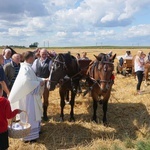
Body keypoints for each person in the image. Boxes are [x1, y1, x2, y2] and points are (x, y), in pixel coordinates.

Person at [9, 51, 47, 143]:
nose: (34, 58)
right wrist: (39, 83)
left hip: (31, 96)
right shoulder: (25, 68)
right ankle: (29, 136)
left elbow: (32, 79)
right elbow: (26, 83)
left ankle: (35, 132)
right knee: (30, 115)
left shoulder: (27, 67)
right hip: (28, 98)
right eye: (34, 57)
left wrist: (42, 79)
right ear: (30, 58)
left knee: (34, 114)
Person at [0, 83, 22, 150]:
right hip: (2, 130)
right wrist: (16, 111)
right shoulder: (5, 102)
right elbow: (9, 116)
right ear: (1, 90)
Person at [32, 49, 52, 121]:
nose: (44, 55)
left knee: (46, 99)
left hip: (46, 83)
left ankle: (45, 114)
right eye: (42, 54)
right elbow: (33, 72)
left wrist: (46, 80)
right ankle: (38, 114)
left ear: (47, 54)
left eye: (45, 54)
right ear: (39, 54)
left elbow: (51, 74)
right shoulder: (35, 61)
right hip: (37, 83)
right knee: (37, 99)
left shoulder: (50, 62)